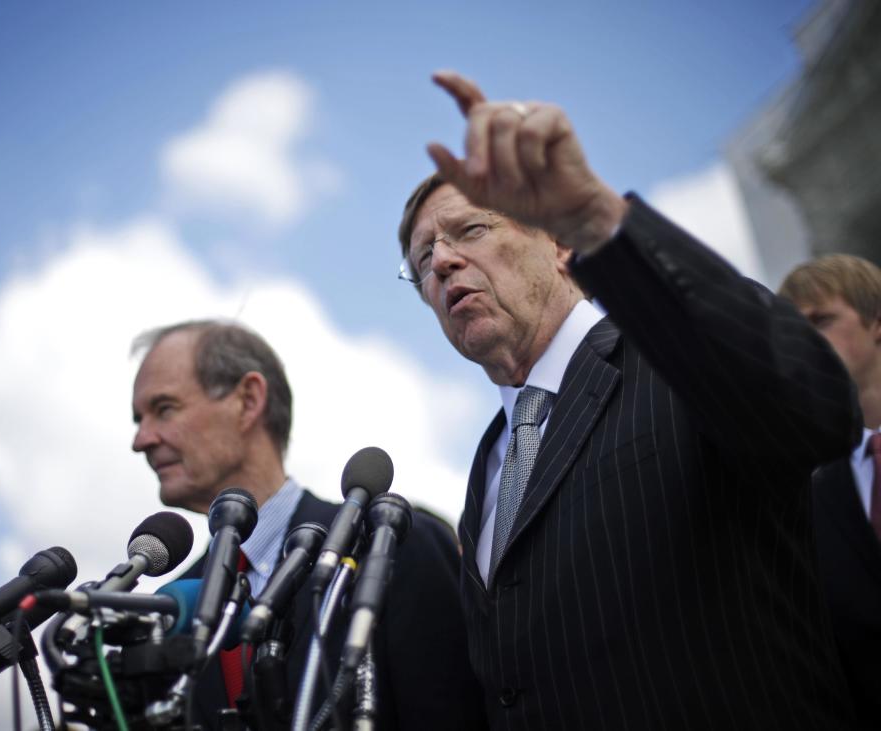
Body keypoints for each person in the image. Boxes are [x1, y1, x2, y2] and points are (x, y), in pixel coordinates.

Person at [394, 71, 861, 730]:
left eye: (469, 229)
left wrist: (595, 216)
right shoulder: (489, 466)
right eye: (422, 260)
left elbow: (812, 407)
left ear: (557, 244)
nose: (440, 261)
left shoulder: (672, 357)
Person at [130, 320, 486, 730]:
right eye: (139, 418)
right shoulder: (171, 609)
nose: (141, 439)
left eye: (164, 409)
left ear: (248, 400)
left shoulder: (392, 547)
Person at [779, 255, 881, 729]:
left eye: (822, 320)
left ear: (876, 323)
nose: (807, 340)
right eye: (793, 328)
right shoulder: (805, 489)